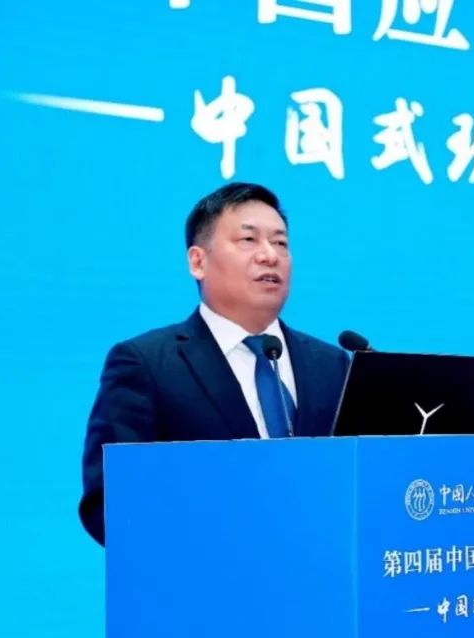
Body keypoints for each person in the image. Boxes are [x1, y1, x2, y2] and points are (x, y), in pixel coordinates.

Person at [79, 182, 349, 545]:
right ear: (198, 261)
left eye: (281, 243)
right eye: (248, 240)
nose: (270, 255)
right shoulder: (146, 364)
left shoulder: (331, 364)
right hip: (203, 573)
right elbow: (109, 502)